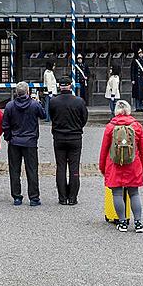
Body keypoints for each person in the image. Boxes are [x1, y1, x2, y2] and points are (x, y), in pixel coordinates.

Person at [99, 100, 143, 233]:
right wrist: (141, 166)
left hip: (115, 164)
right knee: (134, 193)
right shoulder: (136, 126)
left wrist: (102, 167)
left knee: (117, 194)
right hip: (133, 163)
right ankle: (138, 223)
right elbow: (142, 149)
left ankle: (122, 222)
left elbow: (104, 150)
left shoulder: (110, 127)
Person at [3, 81, 46, 206]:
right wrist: (39, 102)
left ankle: (17, 196)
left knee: (14, 170)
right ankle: (34, 197)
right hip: (30, 141)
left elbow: (5, 124)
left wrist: (8, 137)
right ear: (28, 92)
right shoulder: (34, 105)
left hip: (15, 141)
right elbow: (43, 115)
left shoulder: (10, 106)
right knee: (32, 170)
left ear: (16, 92)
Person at [49, 76, 88, 205]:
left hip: (59, 137)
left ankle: (62, 197)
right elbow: (84, 119)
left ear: (60, 86)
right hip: (75, 137)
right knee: (74, 168)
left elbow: (52, 117)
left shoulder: (53, 101)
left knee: (60, 167)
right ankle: (72, 197)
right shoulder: (79, 101)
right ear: (71, 86)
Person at [130, 48, 143, 112]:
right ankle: (137, 107)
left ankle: (142, 107)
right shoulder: (135, 61)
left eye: (141, 53)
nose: (141, 54)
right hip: (137, 79)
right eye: (139, 53)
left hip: (142, 79)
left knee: (142, 94)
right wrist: (133, 79)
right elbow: (132, 71)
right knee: (137, 94)